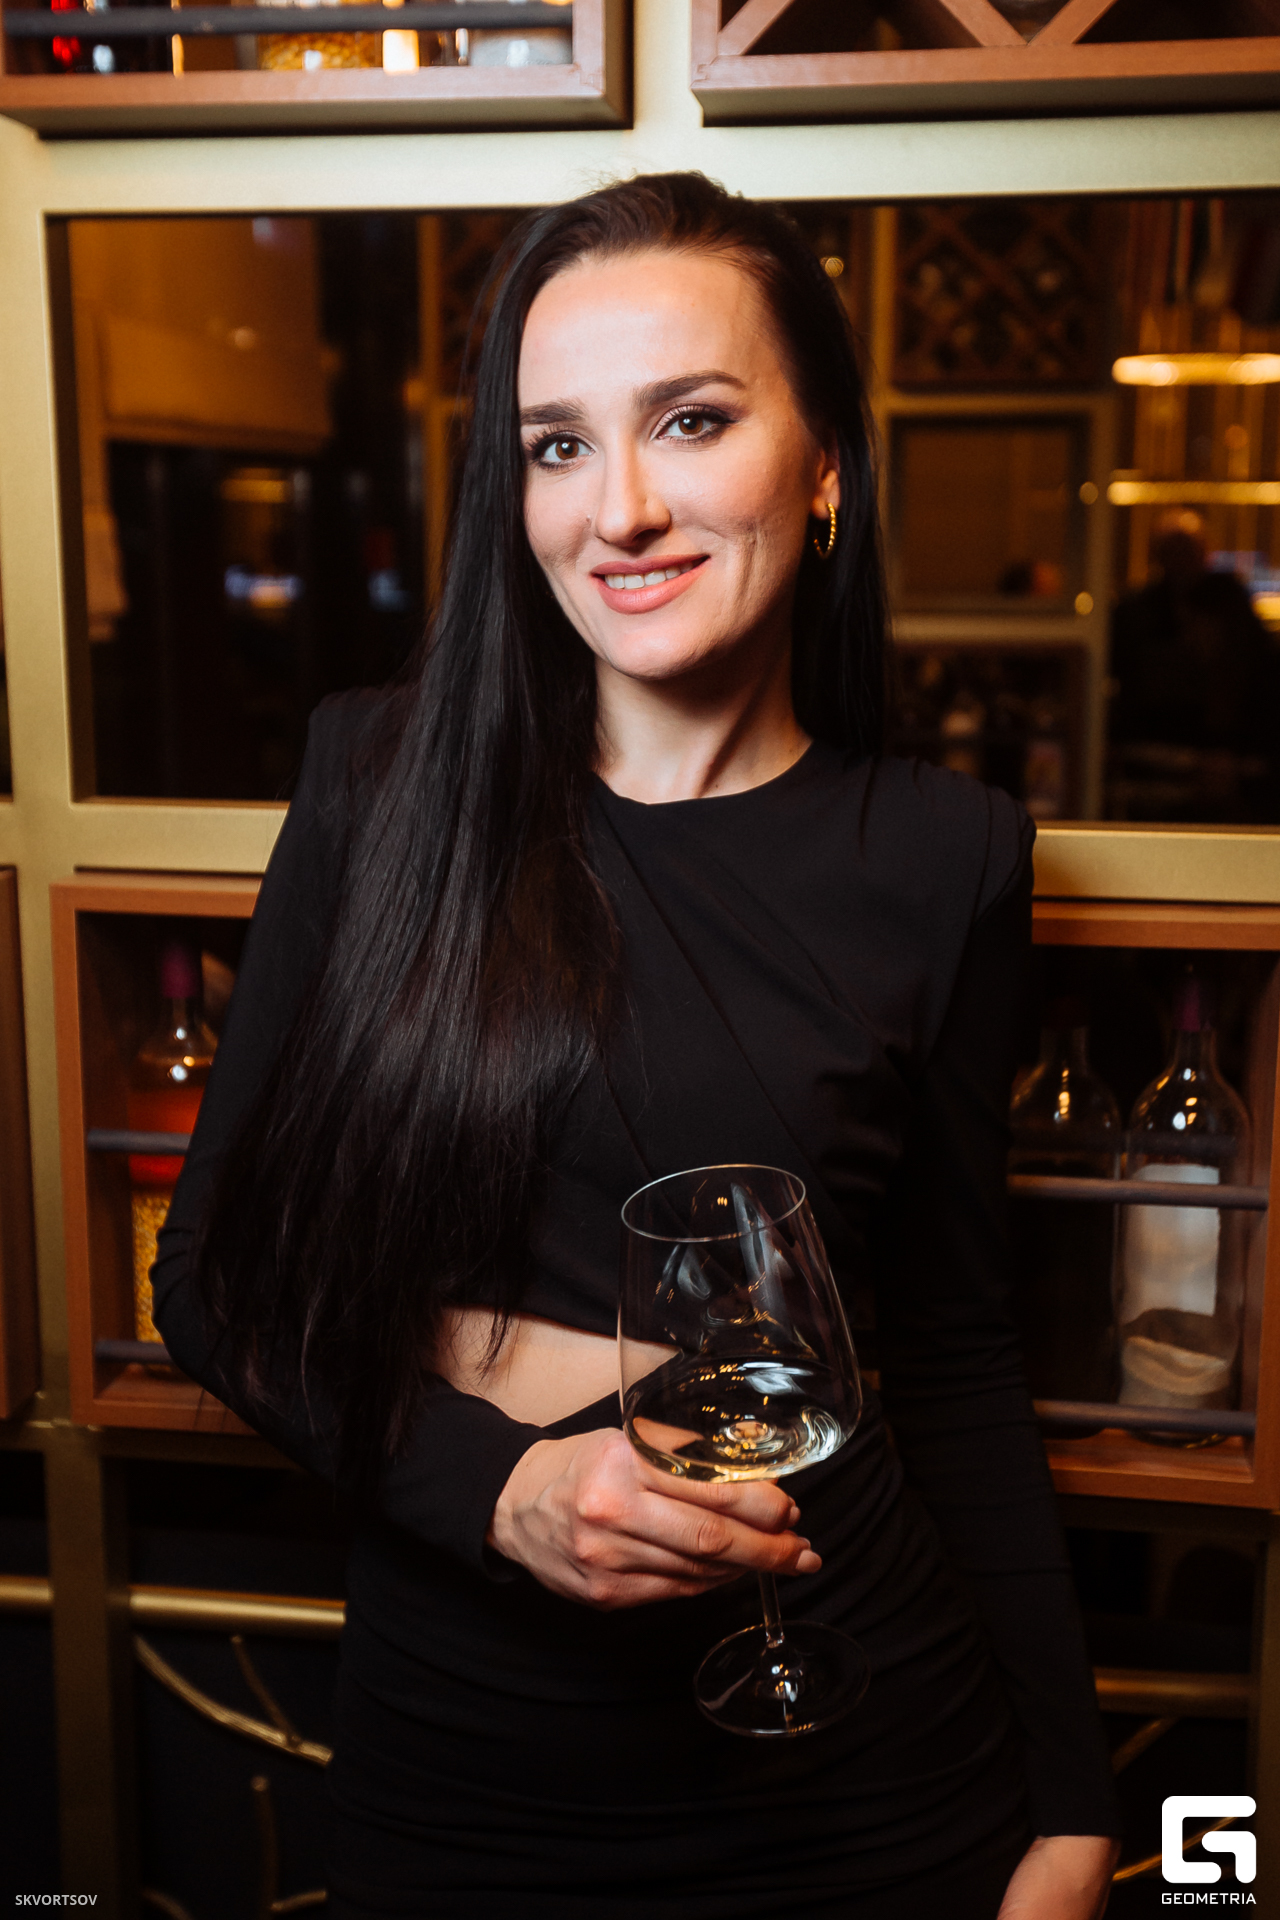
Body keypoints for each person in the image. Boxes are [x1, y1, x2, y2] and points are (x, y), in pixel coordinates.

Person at [154, 173, 1122, 1919]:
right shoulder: (382, 787)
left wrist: (1070, 1810)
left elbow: (959, 1356)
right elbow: (217, 1278)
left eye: (692, 420)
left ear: (826, 467)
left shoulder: (948, 856)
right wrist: (499, 1486)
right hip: (468, 1755)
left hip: (856, 1748)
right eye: (559, 446)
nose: (623, 509)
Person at [1108, 509, 1279, 821]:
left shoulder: (1231, 608)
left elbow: (1259, 681)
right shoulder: (1137, 615)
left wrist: (1233, 759)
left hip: (1237, 766)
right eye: (1171, 550)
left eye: (1187, 549)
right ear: (1157, 555)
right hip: (1158, 765)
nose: (1180, 560)